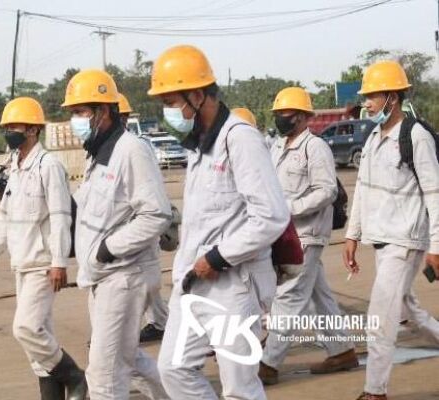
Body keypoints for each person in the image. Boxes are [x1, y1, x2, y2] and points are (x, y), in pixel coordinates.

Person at [149, 44, 289, 400]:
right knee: (174, 369)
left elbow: (271, 215)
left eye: (171, 102)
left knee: (240, 388)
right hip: (194, 281)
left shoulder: (239, 138)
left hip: (233, 284)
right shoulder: (198, 145)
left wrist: (217, 257)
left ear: (197, 95)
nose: (168, 112)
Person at [64, 69, 172, 400]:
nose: (75, 120)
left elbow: (156, 213)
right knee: (129, 359)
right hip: (102, 278)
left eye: (81, 112)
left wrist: (107, 249)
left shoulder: (131, 149)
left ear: (104, 111)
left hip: (124, 276)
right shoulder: (97, 155)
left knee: (105, 377)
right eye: (73, 113)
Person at [0, 97, 87, 400]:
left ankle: (75, 377)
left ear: (33, 130)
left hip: (42, 264)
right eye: (8, 126)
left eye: (15, 126)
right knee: (39, 335)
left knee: (25, 329)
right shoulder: (15, 166)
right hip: (21, 263)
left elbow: (60, 215)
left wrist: (59, 262)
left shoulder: (49, 166)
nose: (10, 131)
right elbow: (5, 215)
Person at [344, 60, 439, 400]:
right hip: (381, 240)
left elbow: (434, 193)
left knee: (381, 317)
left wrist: (436, 246)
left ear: (392, 98)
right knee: (408, 308)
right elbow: (363, 189)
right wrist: (352, 235)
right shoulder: (372, 137)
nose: (367, 103)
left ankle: (375, 392)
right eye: (366, 96)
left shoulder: (416, 136)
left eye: (372, 96)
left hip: (406, 240)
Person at [259, 87, 358, 385]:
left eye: (285, 114)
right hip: (285, 235)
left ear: (302, 117)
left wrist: (289, 209)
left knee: (288, 297)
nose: (280, 119)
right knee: (319, 297)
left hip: (307, 234)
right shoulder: (276, 146)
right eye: (277, 114)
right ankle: (341, 350)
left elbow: (326, 191)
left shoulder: (315, 148)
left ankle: (268, 363)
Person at [117, 92, 171, 343]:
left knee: (144, 283)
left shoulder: (135, 148)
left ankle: (153, 324)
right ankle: (160, 321)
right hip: (123, 228)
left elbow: (150, 192)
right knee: (146, 285)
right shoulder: (108, 149)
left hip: (140, 224)